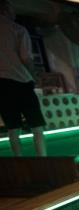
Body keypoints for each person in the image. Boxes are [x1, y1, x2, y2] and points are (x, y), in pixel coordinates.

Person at [0, 0, 46, 156]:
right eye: (12, 10)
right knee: (36, 126)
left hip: (2, 85)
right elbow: (26, 57)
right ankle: (42, 159)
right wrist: (35, 76)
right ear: (6, 10)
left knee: (13, 128)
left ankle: (18, 161)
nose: (14, 13)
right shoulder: (17, 29)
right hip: (21, 81)